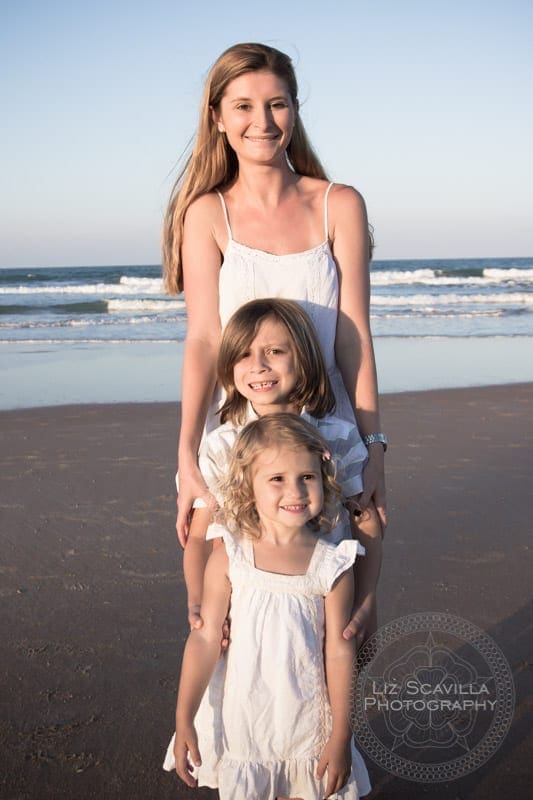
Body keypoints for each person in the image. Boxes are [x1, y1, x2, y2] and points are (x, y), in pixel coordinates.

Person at [162, 43, 388, 586]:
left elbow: (353, 337)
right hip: (241, 437)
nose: (262, 121)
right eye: (242, 106)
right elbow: (204, 340)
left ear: (294, 110)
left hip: (326, 440)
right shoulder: (207, 214)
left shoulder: (339, 204)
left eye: (277, 104)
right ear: (216, 117)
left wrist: (375, 446)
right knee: (233, 613)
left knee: (337, 610)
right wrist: (187, 453)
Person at [163, 414, 371, 800]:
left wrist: (342, 732)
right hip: (249, 720)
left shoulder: (334, 564)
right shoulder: (230, 555)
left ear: (323, 479)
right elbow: (206, 639)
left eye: (306, 477)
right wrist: (184, 717)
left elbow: (340, 652)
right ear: (248, 485)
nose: (294, 491)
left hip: (310, 724)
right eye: (277, 479)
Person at [183, 298, 382, 646]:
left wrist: (365, 601)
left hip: (325, 604)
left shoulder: (339, 436)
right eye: (243, 355)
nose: (257, 365)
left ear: (303, 358)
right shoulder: (221, 446)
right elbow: (202, 536)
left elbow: (365, 522)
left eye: (274, 351)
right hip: (248, 606)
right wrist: (200, 603)